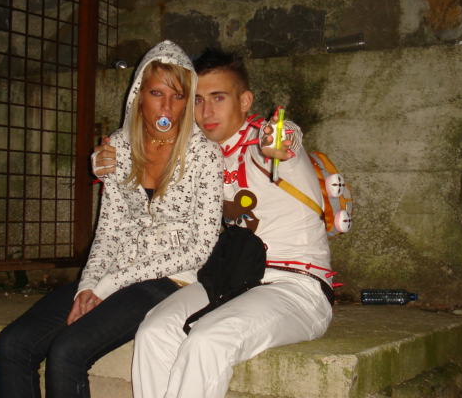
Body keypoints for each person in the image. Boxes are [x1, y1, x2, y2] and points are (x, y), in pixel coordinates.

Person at [94, 48, 336, 398]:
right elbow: (145, 153)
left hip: (296, 287)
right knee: (154, 332)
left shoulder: (261, 143)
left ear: (245, 101)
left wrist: (282, 139)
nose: (206, 112)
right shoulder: (200, 155)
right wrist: (105, 160)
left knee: (208, 340)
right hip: (229, 280)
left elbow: (285, 140)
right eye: (198, 100)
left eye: (218, 98)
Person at [0, 40, 223, 398]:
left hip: (169, 279)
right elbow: (108, 231)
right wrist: (88, 285)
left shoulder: (205, 154)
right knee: (13, 344)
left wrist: (108, 285)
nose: (167, 107)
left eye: (178, 96)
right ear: (139, 95)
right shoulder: (117, 147)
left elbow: (200, 249)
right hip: (115, 272)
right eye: (157, 93)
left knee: (67, 351)